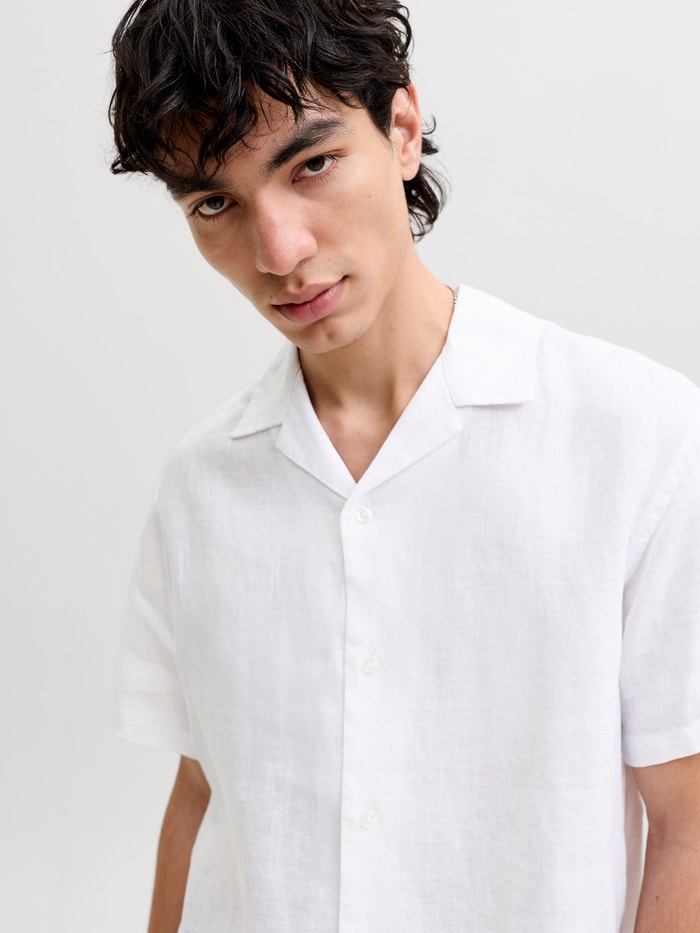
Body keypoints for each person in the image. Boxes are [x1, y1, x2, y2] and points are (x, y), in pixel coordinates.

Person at [109, 1, 700, 931]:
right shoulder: (201, 482)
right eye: (215, 204)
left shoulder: (636, 435)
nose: (280, 252)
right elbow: (204, 788)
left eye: (311, 164)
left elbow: (689, 822)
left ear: (402, 130)